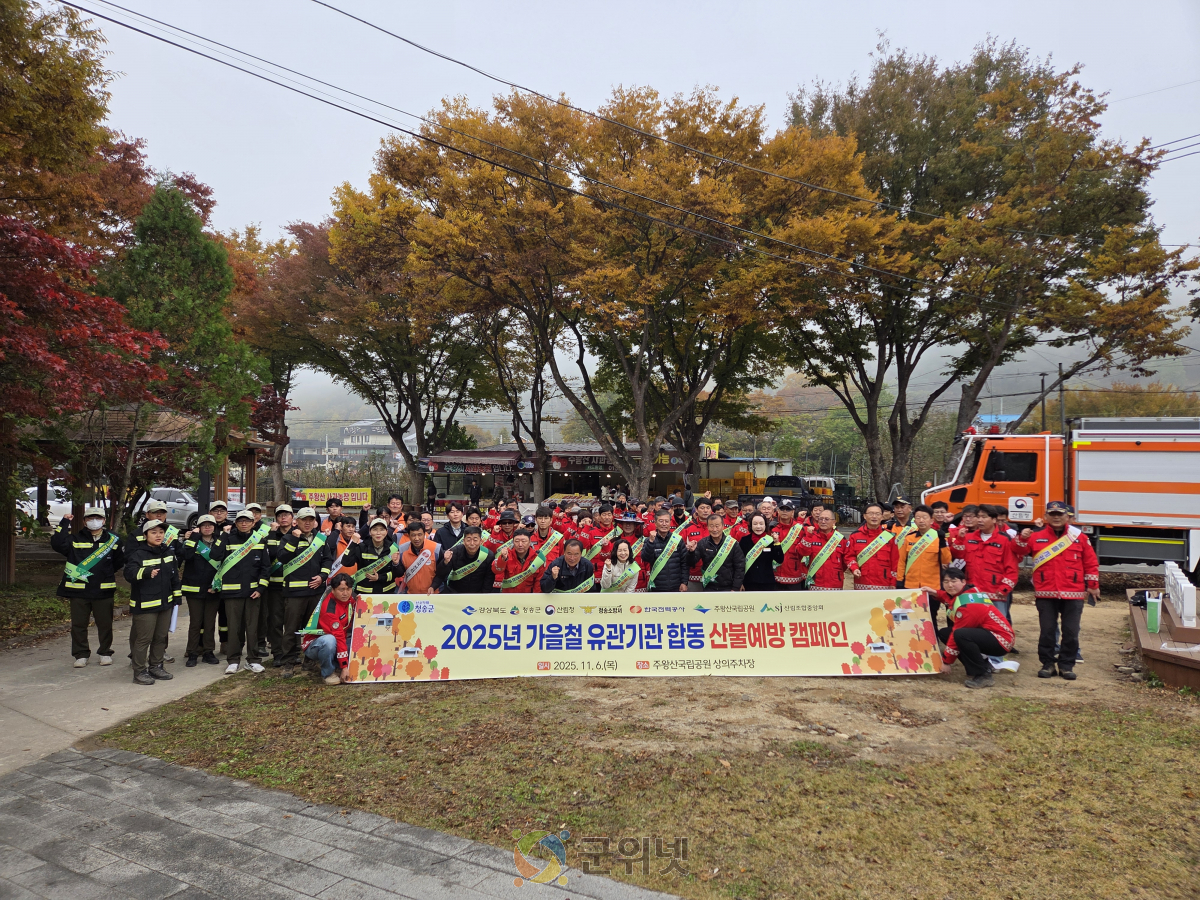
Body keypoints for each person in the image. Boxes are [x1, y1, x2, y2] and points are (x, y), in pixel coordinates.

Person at [1015, 500, 1100, 681]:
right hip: (1046, 592)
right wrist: (1022, 538)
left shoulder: (1079, 538)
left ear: (1067, 516)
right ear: (1046, 516)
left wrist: (1093, 585)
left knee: (1071, 632)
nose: (1056, 518)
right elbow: (1017, 552)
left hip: (1073, 592)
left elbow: (1091, 562)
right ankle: (1047, 664)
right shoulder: (1035, 537)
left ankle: (1066, 666)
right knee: (1047, 631)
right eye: (1052, 514)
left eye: (1059, 514)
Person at [52, 506, 124, 668]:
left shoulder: (113, 540)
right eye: (90, 518)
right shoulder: (75, 539)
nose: (94, 521)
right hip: (79, 590)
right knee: (78, 625)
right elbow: (57, 544)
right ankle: (81, 654)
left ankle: (105, 652)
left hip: (103, 590)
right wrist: (64, 523)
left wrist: (103, 572)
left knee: (105, 624)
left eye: (98, 518)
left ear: (104, 521)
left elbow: (119, 561)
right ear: (84, 521)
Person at [210, 509, 270, 675]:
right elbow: (215, 555)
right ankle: (233, 661)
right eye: (240, 521)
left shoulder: (259, 540)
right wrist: (223, 535)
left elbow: (265, 567)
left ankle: (253, 660)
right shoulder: (228, 539)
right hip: (232, 593)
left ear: (253, 523)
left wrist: (260, 588)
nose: (244, 524)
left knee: (253, 629)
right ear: (235, 523)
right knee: (234, 629)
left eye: (247, 521)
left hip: (253, 593)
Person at [123, 520, 183, 685]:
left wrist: (177, 597)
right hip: (145, 605)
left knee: (160, 637)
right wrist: (145, 572)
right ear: (145, 535)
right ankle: (139, 671)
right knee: (144, 639)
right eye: (153, 532)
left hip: (165, 604)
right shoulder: (138, 554)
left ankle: (156, 666)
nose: (158, 535)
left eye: (161, 532)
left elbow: (174, 576)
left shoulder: (168, 552)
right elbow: (129, 574)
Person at [937, 567, 1014, 689]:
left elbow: (956, 634)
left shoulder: (968, 605)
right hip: (989, 634)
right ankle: (982, 665)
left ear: (963, 581)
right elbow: (948, 598)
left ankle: (983, 675)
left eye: (953, 581)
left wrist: (946, 661)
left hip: (1001, 640)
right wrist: (933, 592)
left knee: (960, 635)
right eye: (946, 582)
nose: (950, 585)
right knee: (945, 633)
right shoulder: (966, 593)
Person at [275, 508, 330, 678]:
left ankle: (309, 660)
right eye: (304, 519)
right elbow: (282, 558)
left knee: (312, 629)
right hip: (294, 593)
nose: (307, 523)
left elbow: (327, 560)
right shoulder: (288, 538)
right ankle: (288, 662)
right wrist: (294, 539)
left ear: (315, 522)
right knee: (291, 629)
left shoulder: (321, 539)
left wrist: (322, 576)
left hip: (315, 591)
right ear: (296, 521)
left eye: (310, 520)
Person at [950, 504, 1018, 620]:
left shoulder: (1004, 540)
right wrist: (960, 539)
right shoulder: (968, 537)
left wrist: (1004, 588)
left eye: (984, 517)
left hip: (995, 594)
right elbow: (957, 555)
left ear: (994, 519)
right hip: (972, 592)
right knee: (972, 623)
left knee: (997, 625)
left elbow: (1012, 568)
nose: (980, 520)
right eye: (978, 517)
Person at [897, 504, 954, 626]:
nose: (921, 520)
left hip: (932, 586)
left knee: (930, 616)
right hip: (911, 585)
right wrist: (900, 580)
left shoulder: (938, 537)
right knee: (911, 617)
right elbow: (902, 561)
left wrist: (942, 543)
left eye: (924, 517)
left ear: (931, 520)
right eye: (918, 517)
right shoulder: (909, 538)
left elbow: (946, 560)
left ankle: (934, 638)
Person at [179, 514, 221, 666]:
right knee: (195, 622)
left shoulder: (220, 542)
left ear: (214, 527)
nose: (207, 527)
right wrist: (193, 538)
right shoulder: (192, 541)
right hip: (194, 588)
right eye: (204, 525)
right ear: (199, 527)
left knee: (209, 622)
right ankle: (192, 652)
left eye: (210, 525)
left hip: (213, 589)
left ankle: (208, 651)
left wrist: (216, 586)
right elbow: (186, 556)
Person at [301, 572, 355, 685]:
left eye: (348, 589)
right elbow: (338, 636)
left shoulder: (351, 600)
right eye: (341, 589)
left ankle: (337, 665)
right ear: (333, 590)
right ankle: (328, 673)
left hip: (340, 638)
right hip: (315, 644)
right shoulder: (329, 609)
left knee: (359, 639)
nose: (345, 593)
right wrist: (344, 667)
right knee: (329, 640)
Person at [262, 503, 295, 665]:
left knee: (292, 621)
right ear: (275, 518)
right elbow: (268, 557)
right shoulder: (270, 536)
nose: (283, 518)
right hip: (274, 586)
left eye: (286, 515)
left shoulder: (298, 535)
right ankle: (277, 652)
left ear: (292, 518)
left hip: (294, 586)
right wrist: (272, 533)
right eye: (280, 515)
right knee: (275, 621)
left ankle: (292, 652)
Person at [842, 503, 899, 590]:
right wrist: (854, 568)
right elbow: (849, 556)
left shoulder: (889, 536)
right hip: (862, 583)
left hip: (884, 584)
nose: (874, 516)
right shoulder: (855, 536)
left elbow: (895, 562)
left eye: (877, 514)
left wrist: (893, 583)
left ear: (882, 517)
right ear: (865, 516)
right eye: (871, 513)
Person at [686, 514, 745, 592]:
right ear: (707, 527)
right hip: (709, 586)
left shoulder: (733, 544)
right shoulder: (703, 543)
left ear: (723, 526)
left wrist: (735, 587)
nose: (714, 529)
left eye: (717, 526)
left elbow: (740, 567)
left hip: (728, 587)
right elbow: (691, 563)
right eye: (711, 526)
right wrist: (691, 552)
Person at [342, 518, 400, 595]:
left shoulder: (393, 548)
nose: (378, 533)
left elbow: (399, 573)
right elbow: (346, 562)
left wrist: (380, 577)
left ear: (386, 532)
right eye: (375, 530)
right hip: (364, 593)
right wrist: (353, 543)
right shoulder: (362, 547)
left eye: (382, 530)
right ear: (370, 532)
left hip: (387, 593)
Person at [641, 509, 689, 593]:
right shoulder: (649, 540)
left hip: (676, 586)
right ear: (655, 523)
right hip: (657, 586)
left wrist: (684, 582)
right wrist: (651, 542)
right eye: (661, 521)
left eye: (666, 521)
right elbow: (646, 558)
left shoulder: (677, 540)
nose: (664, 524)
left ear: (670, 523)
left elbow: (685, 563)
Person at [435, 525, 494, 593]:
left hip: (478, 593)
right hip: (455, 592)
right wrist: (445, 562)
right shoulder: (454, 552)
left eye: (475, 540)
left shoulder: (488, 555)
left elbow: (488, 580)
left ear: (481, 541)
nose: (472, 543)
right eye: (468, 540)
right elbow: (440, 574)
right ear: (464, 541)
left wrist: (483, 596)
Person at [800, 510, 847, 589]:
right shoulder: (811, 536)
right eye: (821, 519)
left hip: (835, 583)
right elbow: (802, 553)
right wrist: (808, 536)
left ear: (834, 522)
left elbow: (845, 562)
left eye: (826, 519)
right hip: (815, 583)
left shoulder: (841, 539)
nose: (823, 521)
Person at [492, 528, 545, 592]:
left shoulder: (537, 558)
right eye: (517, 541)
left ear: (529, 542)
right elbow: (496, 570)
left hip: (528, 595)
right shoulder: (507, 554)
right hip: (509, 595)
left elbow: (538, 583)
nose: (520, 544)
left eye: (523, 541)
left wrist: (535, 597)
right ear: (513, 542)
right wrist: (502, 559)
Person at [739, 513, 782, 591]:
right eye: (755, 524)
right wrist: (740, 582)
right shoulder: (744, 540)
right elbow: (739, 563)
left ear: (765, 525)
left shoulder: (770, 540)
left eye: (761, 524)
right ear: (751, 525)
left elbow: (779, 559)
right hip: (748, 582)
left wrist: (777, 543)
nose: (758, 527)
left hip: (767, 582)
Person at [771, 500, 808, 590]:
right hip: (774, 575)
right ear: (778, 511)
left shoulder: (800, 529)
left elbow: (805, 552)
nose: (784, 511)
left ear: (792, 512)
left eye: (788, 509)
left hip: (794, 575)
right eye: (782, 509)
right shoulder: (771, 527)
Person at [399, 520, 439, 595]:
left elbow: (441, 573)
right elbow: (399, 573)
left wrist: (434, 586)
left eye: (419, 535)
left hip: (433, 594)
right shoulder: (402, 549)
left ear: (424, 534)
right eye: (413, 535)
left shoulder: (436, 548)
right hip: (411, 594)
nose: (417, 538)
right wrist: (395, 564)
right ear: (409, 536)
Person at [683, 497, 714, 590]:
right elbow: (682, 551)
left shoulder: (718, 527)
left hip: (715, 576)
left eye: (708, 508)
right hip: (694, 576)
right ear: (696, 509)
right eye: (702, 508)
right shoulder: (688, 528)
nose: (705, 510)